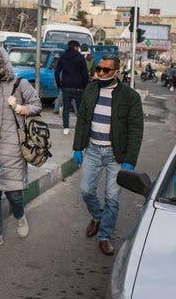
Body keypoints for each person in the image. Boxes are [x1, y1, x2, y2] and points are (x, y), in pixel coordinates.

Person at [72, 55, 143, 256]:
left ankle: (104, 236)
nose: (101, 73)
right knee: (86, 190)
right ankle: (97, 216)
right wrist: (78, 147)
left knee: (112, 198)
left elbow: (136, 129)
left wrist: (130, 159)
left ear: (116, 72)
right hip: (93, 150)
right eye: (99, 69)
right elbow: (83, 119)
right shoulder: (91, 89)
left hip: (116, 155)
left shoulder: (130, 97)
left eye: (106, 70)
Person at [0, 47, 42, 249]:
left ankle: (20, 215)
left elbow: (37, 104)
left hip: (13, 145)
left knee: (13, 192)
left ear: (3, 64)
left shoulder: (20, 84)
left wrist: (21, 108)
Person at [54, 40, 89, 135]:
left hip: (66, 87)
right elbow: (85, 74)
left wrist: (59, 85)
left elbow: (56, 72)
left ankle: (66, 128)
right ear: (76, 47)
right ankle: (80, 128)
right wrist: (86, 86)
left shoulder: (62, 57)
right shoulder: (80, 58)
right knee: (80, 109)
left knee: (66, 108)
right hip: (79, 87)